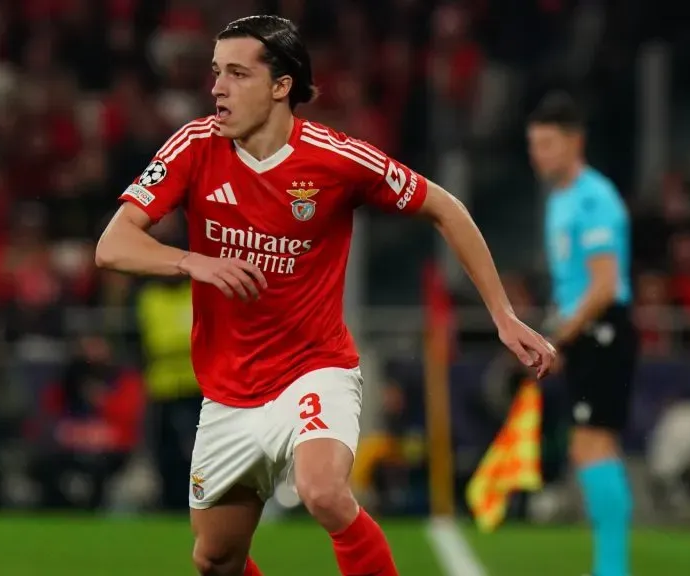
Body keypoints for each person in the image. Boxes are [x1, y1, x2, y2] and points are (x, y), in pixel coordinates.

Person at [96, 15, 556, 576]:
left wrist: (502, 316)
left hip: (314, 369)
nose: (217, 87)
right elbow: (113, 244)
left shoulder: (337, 158)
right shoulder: (194, 146)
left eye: (237, 74)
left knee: (324, 492)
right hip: (228, 388)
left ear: (281, 85)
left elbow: (445, 207)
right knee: (215, 559)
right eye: (216, 72)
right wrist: (195, 262)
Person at [528, 92, 637, 576]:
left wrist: (560, 337)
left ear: (576, 142)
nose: (539, 154)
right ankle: (610, 566)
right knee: (589, 446)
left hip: (602, 327)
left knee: (592, 445)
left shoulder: (595, 197)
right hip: (585, 330)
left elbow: (604, 285)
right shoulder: (560, 199)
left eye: (548, 143)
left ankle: (612, 568)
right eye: (534, 144)